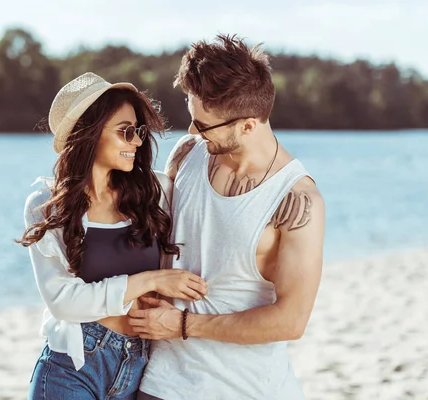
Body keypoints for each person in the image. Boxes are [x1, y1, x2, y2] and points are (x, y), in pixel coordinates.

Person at [130, 35, 326, 399]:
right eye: (192, 119)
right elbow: (159, 241)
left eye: (203, 125)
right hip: (161, 383)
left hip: (242, 389)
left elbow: (291, 320)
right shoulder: (188, 153)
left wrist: (183, 324)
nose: (192, 132)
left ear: (248, 125)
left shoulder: (297, 200)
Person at [17, 72, 207, 400]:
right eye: (125, 132)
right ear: (89, 134)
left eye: (138, 131)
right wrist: (150, 280)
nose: (136, 141)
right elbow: (63, 302)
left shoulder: (156, 191)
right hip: (71, 368)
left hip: (137, 365)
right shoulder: (47, 207)